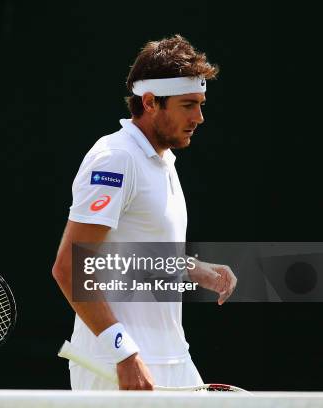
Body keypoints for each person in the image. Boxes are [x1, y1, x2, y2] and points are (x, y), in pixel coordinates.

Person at [52, 35, 237, 391]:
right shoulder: (115, 159)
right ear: (150, 102)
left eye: (200, 104)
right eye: (188, 105)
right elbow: (69, 268)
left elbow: (128, 253)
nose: (199, 117)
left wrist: (195, 269)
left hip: (171, 357)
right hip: (118, 364)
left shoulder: (164, 159)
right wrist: (125, 353)